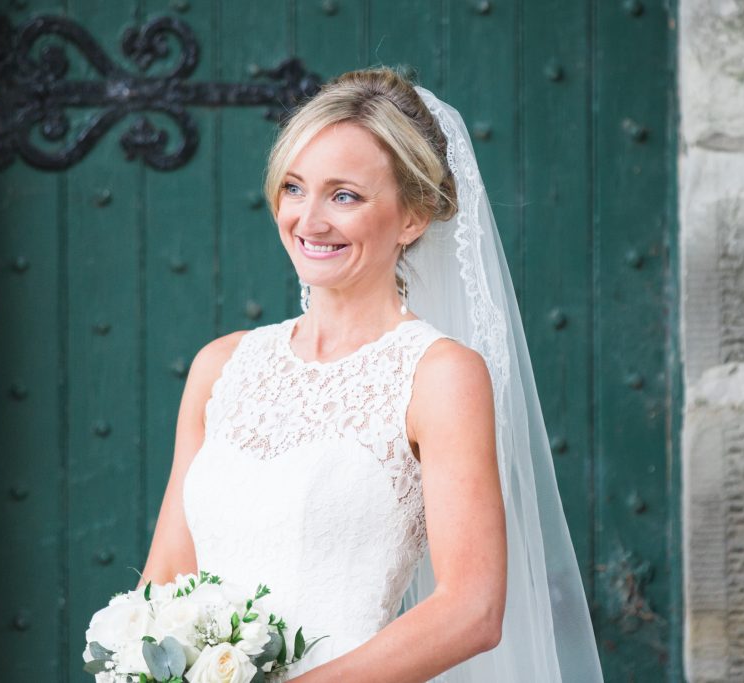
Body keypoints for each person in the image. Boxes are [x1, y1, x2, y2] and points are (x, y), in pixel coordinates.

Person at [137, 66, 603, 682]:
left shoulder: (440, 376)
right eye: (295, 187)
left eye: (345, 195)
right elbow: (166, 576)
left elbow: (472, 609)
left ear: (413, 217)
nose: (309, 219)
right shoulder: (220, 366)